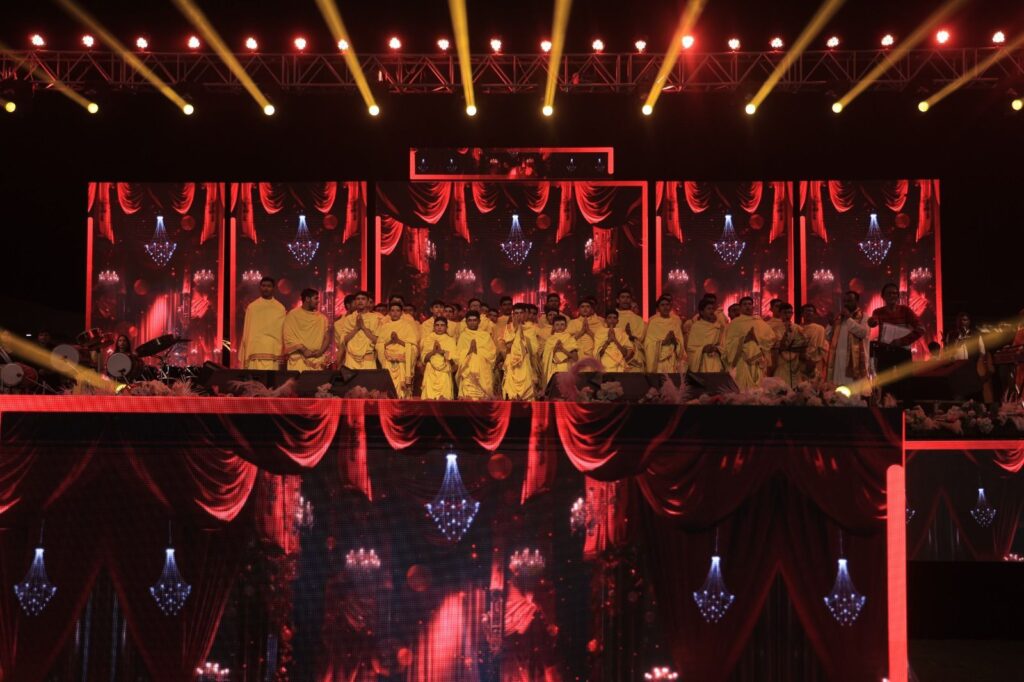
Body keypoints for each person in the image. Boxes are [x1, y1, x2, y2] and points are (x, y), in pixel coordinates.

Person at [722, 296, 776, 390]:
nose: (748, 306)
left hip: (758, 361)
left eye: (750, 304)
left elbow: (771, 339)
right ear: (740, 307)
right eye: (745, 304)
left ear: (753, 306)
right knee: (742, 389)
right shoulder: (734, 324)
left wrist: (756, 338)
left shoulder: (759, 322)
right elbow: (728, 343)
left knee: (758, 389)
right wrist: (744, 339)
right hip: (741, 361)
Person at [868, 283, 924, 372]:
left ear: (898, 296)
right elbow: (873, 322)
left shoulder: (905, 310)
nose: (892, 295)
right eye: (889, 293)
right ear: (883, 296)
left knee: (905, 379)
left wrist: (902, 341)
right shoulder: (878, 312)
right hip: (885, 353)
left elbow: (921, 329)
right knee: (885, 380)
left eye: (894, 293)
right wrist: (872, 322)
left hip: (902, 351)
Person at [826, 290, 869, 386]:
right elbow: (828, 337)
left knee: (853, 389)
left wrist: (849, 318)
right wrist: (830, 324)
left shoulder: (863, 316)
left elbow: (863, 333)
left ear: (856, 302)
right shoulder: (839, 318)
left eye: (849, 301)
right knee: (838, 388)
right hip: (838, 359)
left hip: (853, 360)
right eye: (844, 301)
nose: (846, 303)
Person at [376, 302, 418, 398]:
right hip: (387, 361)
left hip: (402, 363)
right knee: (388, 389)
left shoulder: (407, 326)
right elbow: (379, 346)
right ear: (389, 312)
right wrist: (390, 341)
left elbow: (413, 347)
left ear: (401, 312)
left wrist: (398, 340)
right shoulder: (385, 327)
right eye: (392, 310)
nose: (395, 313)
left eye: (397, 310)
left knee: (401, 392)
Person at [282, 289, 331, 371]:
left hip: (316, 362)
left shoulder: (322, 318)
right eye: (316, 298)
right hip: (298, 361)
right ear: (307, 299)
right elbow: (288, 337)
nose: (318, 301)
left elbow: (327, 338)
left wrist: (320, 352)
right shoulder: (293, 315)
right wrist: (304, 350)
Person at [501, 303, 541, 400]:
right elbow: (508, 346)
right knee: (511, 392)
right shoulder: (509, 327)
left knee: (527, 391)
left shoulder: (531, 328)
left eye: (521, 313)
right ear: (513, 315)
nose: (518, 315)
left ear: (525, 314)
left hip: (526, 362)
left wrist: (523, 339)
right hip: (512, 363)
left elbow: (534, 349)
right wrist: (516, 330)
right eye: (516, 313)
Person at [454, 310, 497, 399]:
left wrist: (477, 351)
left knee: (483, 397)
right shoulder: (463, 336)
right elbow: (458, 355)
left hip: (483, 370)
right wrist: (469, 351)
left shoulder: (485, 335)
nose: (472, 323)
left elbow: (492, 353)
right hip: (468, 372)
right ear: (466, 322)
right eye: (470, 320)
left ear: (479, 321)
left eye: (474, 320)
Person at [334, 290, 381, 370]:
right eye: (358, 299)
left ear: (368, 302)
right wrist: (356, 328)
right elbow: (343, 340)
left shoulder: (375, 318)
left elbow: (378, 340)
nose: (360, 301)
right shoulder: (349, 319)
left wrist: (363, 328)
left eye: (363, 299)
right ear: (355, 302)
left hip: (368, 359)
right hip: (351, 360)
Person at [645, 295, 684, 373]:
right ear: (658, 308)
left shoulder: (675, 322)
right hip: (659, 362)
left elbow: (681, 343)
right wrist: (664, 342)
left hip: (673, 361)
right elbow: (648, 344)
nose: (665, 307)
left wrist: (675, 340)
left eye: (667, 305)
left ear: (670, 307)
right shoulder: (653, 323)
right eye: (662, 305)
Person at [771, 303, 807, 387]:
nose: (787, 315)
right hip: (780, 362)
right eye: (785, 312)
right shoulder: (774, 328)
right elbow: (777, 346)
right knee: (781, 387)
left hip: (795, 363)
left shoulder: (797, 328)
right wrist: (785, 332)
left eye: (789, 312)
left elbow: (803, 346)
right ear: (780, 313)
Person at [419, 317, 456, 399]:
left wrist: (442, 352)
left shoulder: (450, 340)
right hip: (430, 371)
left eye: (442, 325)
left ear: (446, 327)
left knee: (444, 399)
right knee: (429, 399)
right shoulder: (428, 339)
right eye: (437, 325)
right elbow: (424, 359)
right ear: (434, 327)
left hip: (444, 371)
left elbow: (454, 361)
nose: (439, 327)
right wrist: (433, 352)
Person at [686, 299, 725, 373]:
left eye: (712, 309)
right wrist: (703, 349)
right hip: (702, 363)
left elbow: (723, 345)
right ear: (702, 312)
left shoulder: (718, 326)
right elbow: (690, 348)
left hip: (716, 361)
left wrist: (716, 348)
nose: (711, 311)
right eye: (709, 309)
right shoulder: (696, 327)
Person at [541, 314, 579, 389]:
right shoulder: (550, 340)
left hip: (566, 368)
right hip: (553, 369)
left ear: (566, 326)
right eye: (557, 325)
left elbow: (575, 358)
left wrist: (562, 349)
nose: (559, 327)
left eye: (562, 324)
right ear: (553, 327)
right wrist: (555, 349)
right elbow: (545, 358)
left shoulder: (570, 339)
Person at [614, 288, 647, 371]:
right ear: (617, 300)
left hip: (634, 359)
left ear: (631, 300)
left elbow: (641, 339)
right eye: (623, 297)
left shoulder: (638, 319)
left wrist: (631, 336)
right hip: (615, 356)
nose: (625, 300)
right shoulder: (612, 317)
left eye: (628, 297)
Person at [799, 303, 829, 382]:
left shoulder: (820, 329)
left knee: (815, 385)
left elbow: (821, 348)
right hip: (800, 361)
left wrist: (811, 360)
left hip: (815, 362)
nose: (809, 313)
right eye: (807, 311)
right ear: (802, 314)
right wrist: (803, 357)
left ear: (814, 314)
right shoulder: (797, 328)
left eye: (811, 311)